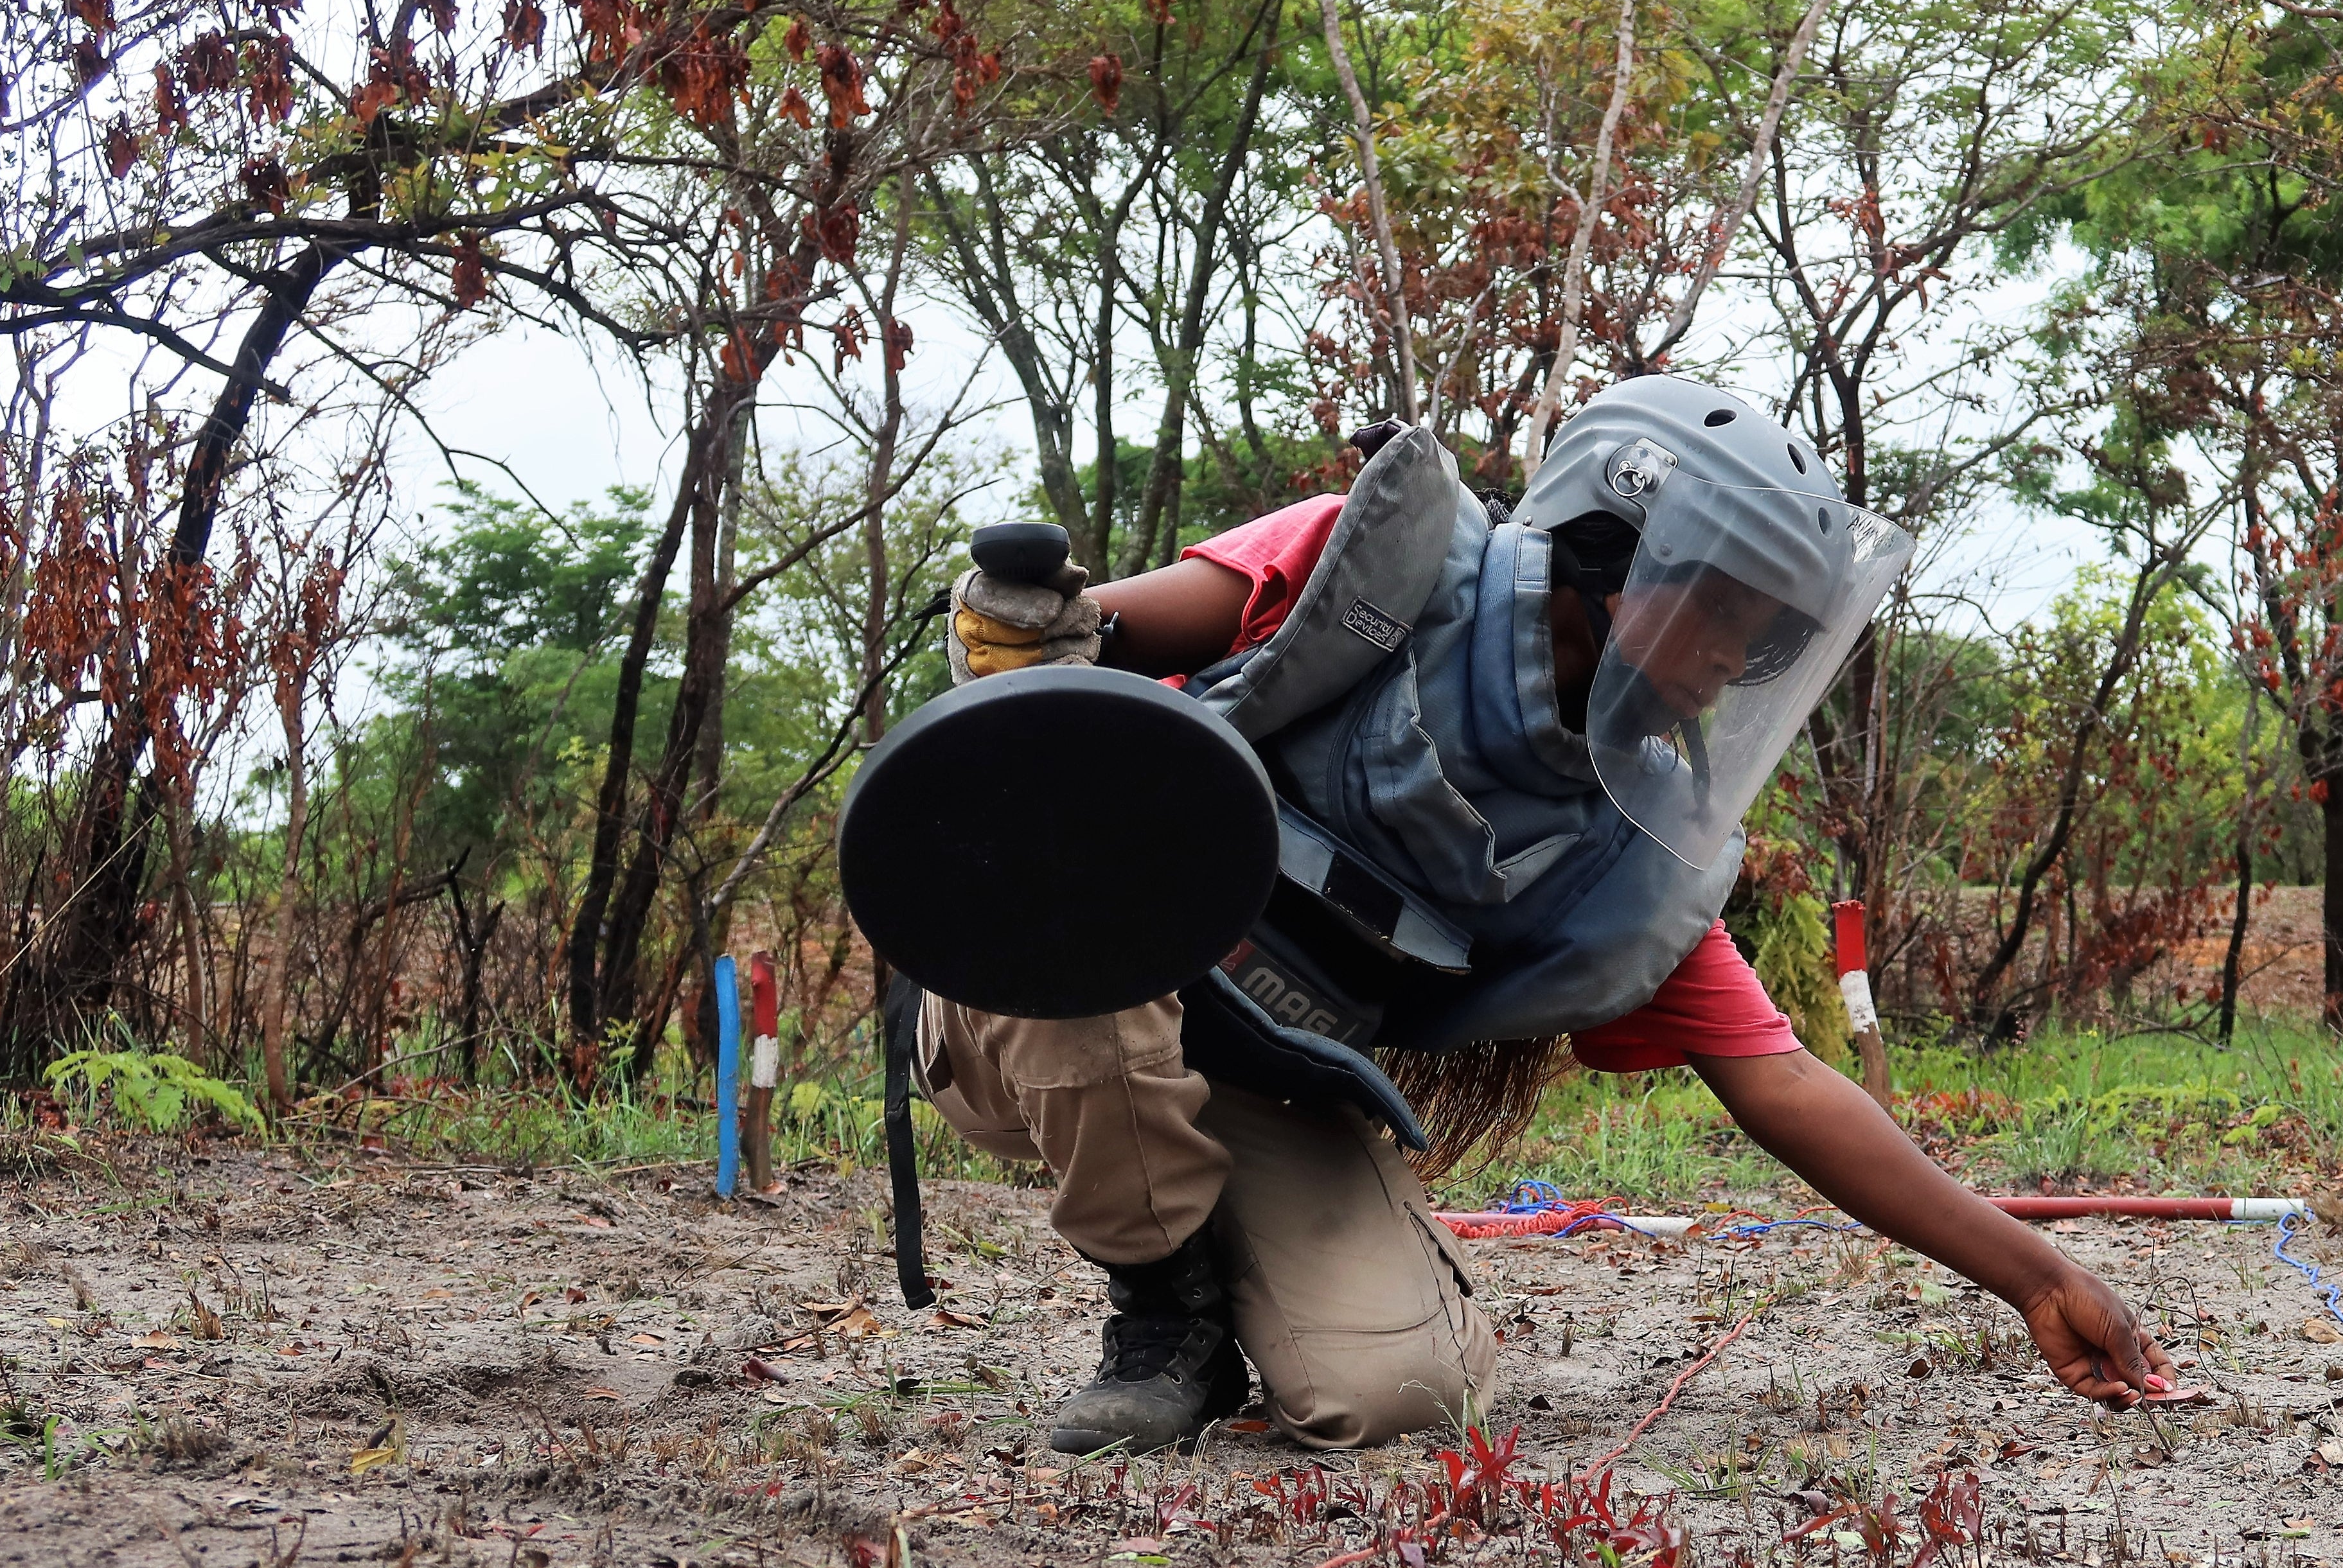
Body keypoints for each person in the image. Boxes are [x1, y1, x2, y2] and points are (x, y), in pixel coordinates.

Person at [910, 375, 2173, 1454]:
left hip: (1262, 1079)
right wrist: (1023, 629)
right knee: (1082, 887)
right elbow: (1073, 646)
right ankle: (1163, 1316)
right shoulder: (1373, 568)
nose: (1740, 655)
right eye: (1725, 603)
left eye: (1766, 627)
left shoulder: (1624, 847)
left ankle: (1243, 1259)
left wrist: (2039, 1275)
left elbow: (1784, 1085)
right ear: (1615, 552)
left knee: (1394, 1395)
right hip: (1041, 980)